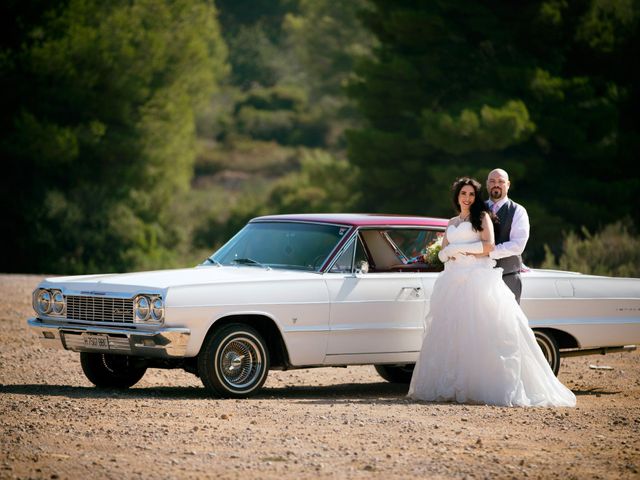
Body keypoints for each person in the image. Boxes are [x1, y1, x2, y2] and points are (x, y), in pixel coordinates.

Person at [408, 177, 576, 407]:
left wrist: (459, 250)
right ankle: (456, 384)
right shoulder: (452, 222)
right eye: (462, 194)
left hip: (478, 278)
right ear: (456, 197)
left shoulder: (482, 217)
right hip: (453, 281)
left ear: (476, 197)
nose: (467, 198)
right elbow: (443, 250)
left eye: (470, 194)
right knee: (453, 333)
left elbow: (489, 246)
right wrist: (446, 254)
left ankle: (488, 386)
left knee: (485, 331)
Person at [486, 168, 529, 303]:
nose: (496, 184)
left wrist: (487, 252)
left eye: (501, 181)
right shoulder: (477, 209)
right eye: (492, 181)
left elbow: (518, 245)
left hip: (508, 278)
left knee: (506, 323)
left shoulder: (518, 211)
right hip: (479, 277)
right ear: (487, 184)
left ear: (508, 185)